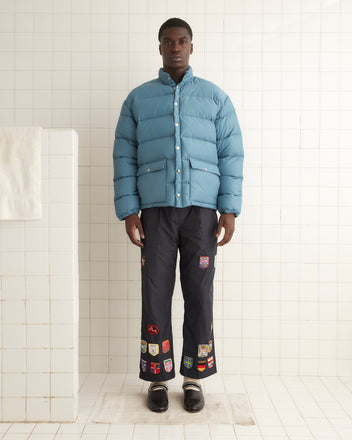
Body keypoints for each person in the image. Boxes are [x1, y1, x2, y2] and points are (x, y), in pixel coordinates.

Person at [113, 17, 244, 413]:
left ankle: (193, 377)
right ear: (159, 48)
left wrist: (229, 210)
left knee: (199, 294)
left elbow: (231, 154)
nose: (175, 47)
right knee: (155, 292)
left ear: (192, 46)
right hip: (154, 214)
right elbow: (124, 156)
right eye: (168, 42)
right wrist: (128, 210)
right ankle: (157, 377)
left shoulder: (215, 98)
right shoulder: (138, 99)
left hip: (202, 214)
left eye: (182, 41)